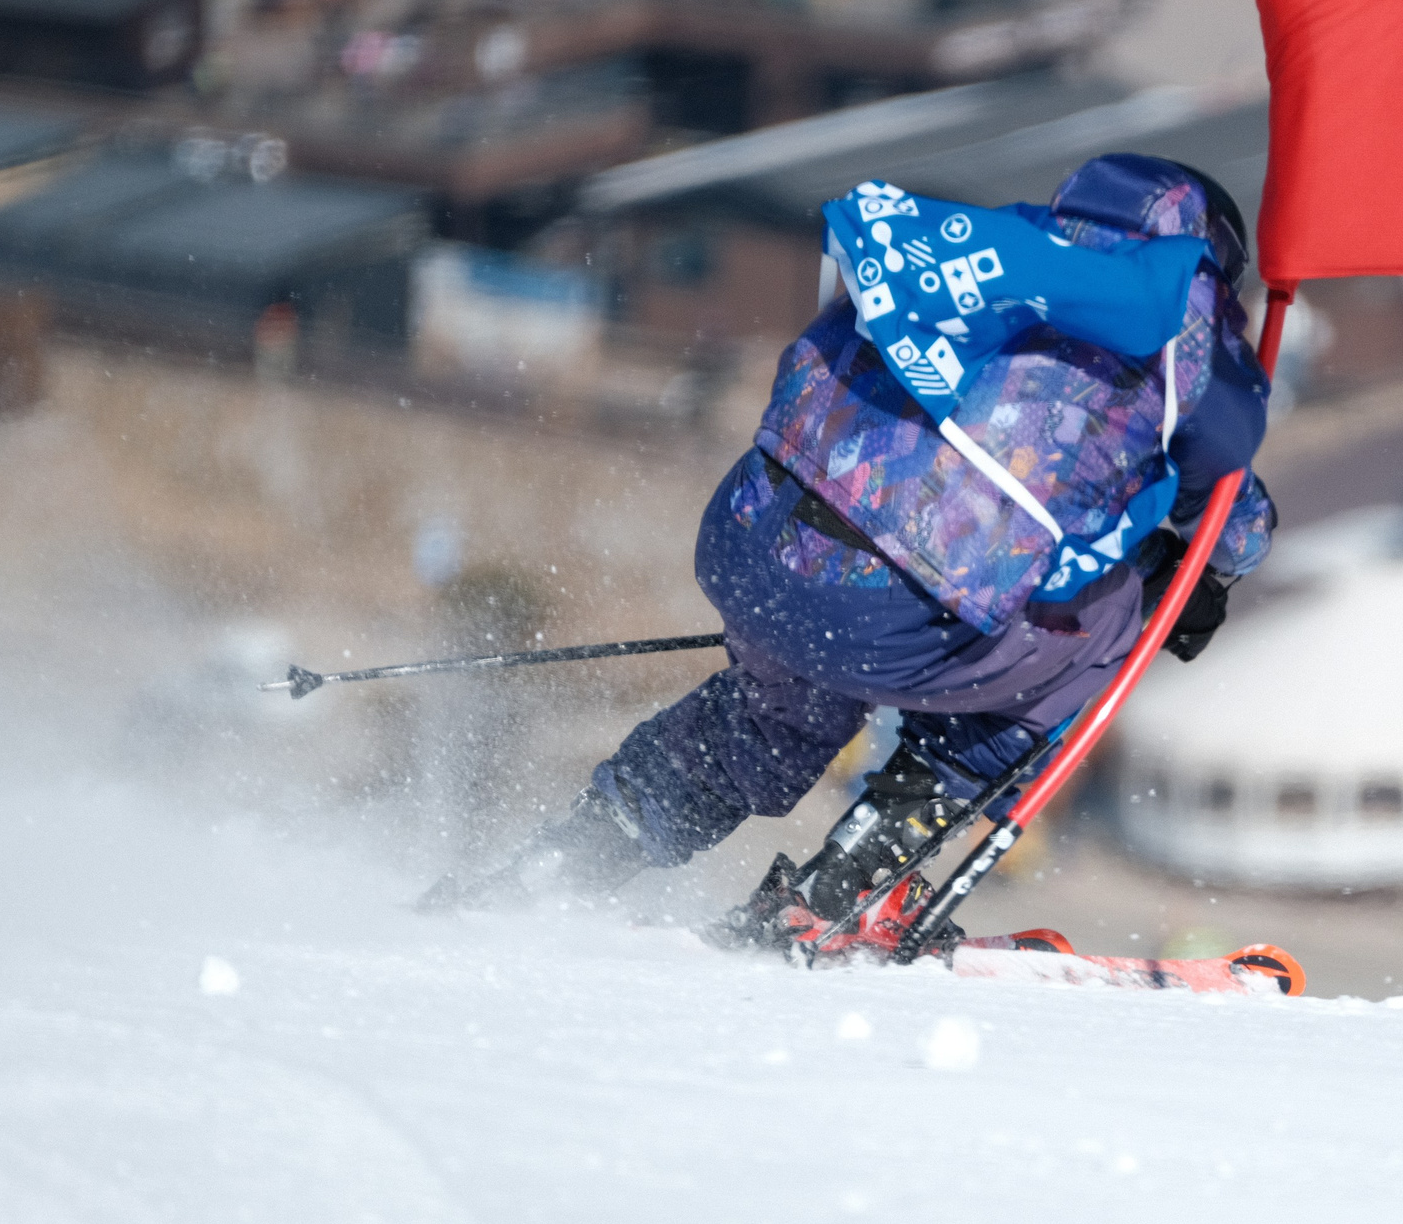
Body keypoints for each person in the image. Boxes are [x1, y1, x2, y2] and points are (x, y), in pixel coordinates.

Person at [421, 154, 1277, 950]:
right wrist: (1204, 575)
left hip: (753, 545)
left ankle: (568, 861)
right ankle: (853, 879)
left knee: (767, 715)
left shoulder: (980, 251)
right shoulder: (1183, 330)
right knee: (1120, 611)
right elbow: (1231, 515)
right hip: (898, 611)